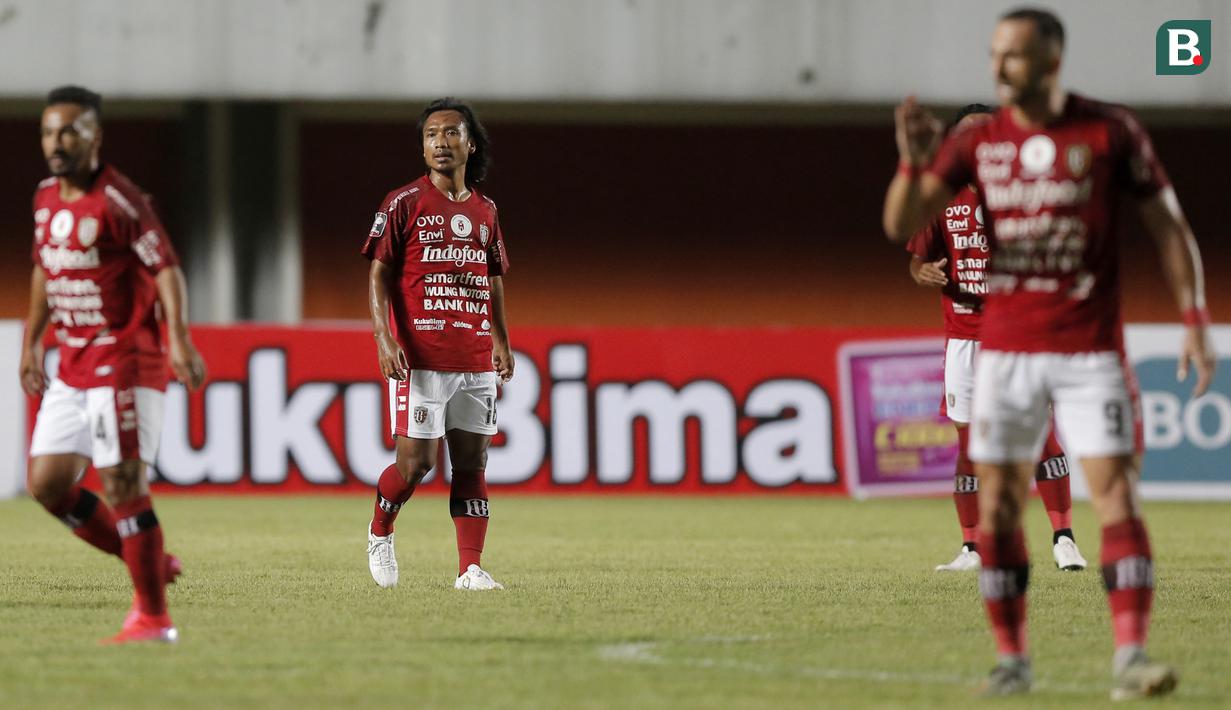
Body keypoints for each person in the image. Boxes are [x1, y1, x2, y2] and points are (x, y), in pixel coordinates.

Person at [883, 8, 1214, 699]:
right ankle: (1012, 660)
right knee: (998, 503)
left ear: (1051, 60)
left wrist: (1192, 315)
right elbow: (899, 227)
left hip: (1086, 346)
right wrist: (913, 163)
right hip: (999, 349)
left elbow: (1169, 226)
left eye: (1012, 55)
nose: (998, 66)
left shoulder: (1110, 131)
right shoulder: (976, 144)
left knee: (1117, 495)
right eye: (993, 54)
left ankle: (1130, 656)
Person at [20, 86, 207, 644]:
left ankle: (152, 617)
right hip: (74, 360)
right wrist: (32, 342)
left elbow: (167, 269)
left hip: (125, 357)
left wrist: (179, 339)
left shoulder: (121, 199)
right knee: (48, 484)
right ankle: (147, 560)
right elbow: (43, 270)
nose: (58, 142)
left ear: (94, 137)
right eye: (50, 132)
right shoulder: (46, 197)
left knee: (123, 480)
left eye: (70, 132)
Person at [908, 103, 1086, 573]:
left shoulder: (1021, 191)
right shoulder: (939, 198)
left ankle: (1064, 539)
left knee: (1040, 436)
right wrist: (921, 271)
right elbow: (918, 258)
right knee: (967, 446)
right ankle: (972, 547)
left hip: (1016, 334)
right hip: (963, 338)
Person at [362, 98, 513, 591]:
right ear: (422, 147)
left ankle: (470, 568)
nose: (440, 142)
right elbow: (379, 273)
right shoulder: (403, 203)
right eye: (430, 135)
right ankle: (381, 527)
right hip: (421, 359)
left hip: (473, 358)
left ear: (470, 143)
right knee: (416, 465)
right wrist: (384, 338)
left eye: (450, 133)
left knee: (473, 462)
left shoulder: (486, 210)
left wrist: (501, 341)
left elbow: (492, 280)